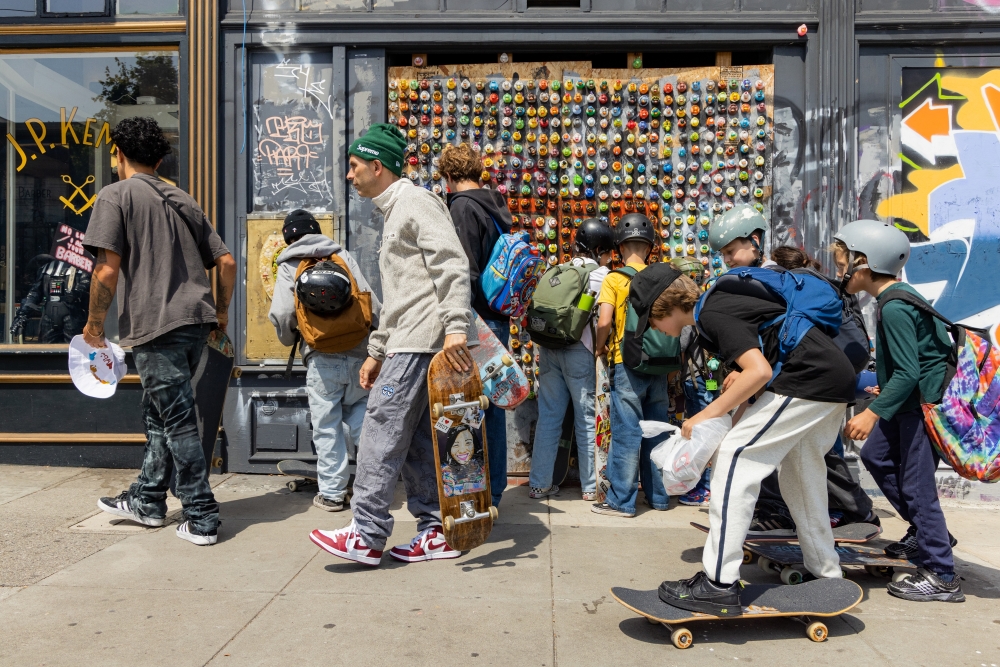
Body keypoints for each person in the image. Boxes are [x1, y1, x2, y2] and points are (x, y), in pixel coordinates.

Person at [309, 123, 473, 566]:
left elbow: (452, 262)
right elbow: (401, 295)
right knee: (419, 441)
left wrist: (456, 325)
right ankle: (434, 530)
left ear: (377, 167)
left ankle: (365, 533)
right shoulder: (395, 211)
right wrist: (377, 350)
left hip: (423, 342)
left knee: (381, 427)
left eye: (355, 165)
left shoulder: (416, 202)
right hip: (407, 340)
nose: (349, 174)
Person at [649, 268, 855, 615]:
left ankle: (717, 583)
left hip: (807, 379)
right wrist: (728, 421)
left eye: (653, 322)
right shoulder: (723, 303)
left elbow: (758, 372)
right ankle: (826, 572)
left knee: (735, 461)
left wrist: (704, 416)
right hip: (831, 377)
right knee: (801, 474)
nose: (656, 330)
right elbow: (757, 378)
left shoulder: (711, 313)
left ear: (663, 309)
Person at [85, 117, 237, 546]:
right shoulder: (182, 198)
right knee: (159, 413)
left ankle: (202, 514)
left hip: (156, 325)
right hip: (196, 322)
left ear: (118, 154)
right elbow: (225, 263)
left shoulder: (114, 196)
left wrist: (95, 325)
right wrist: (221, 313)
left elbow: (106, 269)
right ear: (158, 158)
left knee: (177, 420)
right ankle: (148, 500)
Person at [710, 207, 877, 532]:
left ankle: (789, 510)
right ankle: (850, 510)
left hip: (803, 377)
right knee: (813, 449)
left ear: (754, 241)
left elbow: (786, 335)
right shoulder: (760, 278)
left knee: (776, 442)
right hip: (802, 376)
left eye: (731, 250)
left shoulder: (773, 279)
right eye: (723, 253)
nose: (727, 258)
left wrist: (750, 370)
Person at [838, 220, 964, 603]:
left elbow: (910, 370)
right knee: (876, 456)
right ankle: (927, 534)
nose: (841, 268)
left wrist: (872, 411)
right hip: (907, 402)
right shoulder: (896, 297)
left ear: (864, 261)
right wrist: (885, 383)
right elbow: (911, 363)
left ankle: (942, 574)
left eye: (844, 259)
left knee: (917, 486)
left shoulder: (893, 307)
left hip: (919, 409)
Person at [268, 209, 380, 512]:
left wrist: (291, 339)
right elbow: (368, 299)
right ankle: (378, 483)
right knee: (361, 417)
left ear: (288, 237)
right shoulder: (340, 255)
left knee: (327, 425)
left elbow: (282, 314)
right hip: (359, 351)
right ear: (316, 230)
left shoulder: (290, 263)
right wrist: (378, 342)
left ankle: (332, 493)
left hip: (321, 358)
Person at [439, 142, 511, 508]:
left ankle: (479, 493)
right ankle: (493, 490)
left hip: (475, 322)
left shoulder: (463, 208)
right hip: (497, 319)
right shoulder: (496, 206)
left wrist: (456, 322)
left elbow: (463, 271)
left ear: (449, 176)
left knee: (467, 409)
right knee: (490, 407)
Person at [527, 218, 614, 501]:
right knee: (586, 419)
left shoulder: (556, 270)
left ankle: (539, 484)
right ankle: (590, 487)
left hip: (549, 349)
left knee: (549, 418)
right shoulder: (600, 275)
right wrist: (600, 349)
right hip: (580, 351)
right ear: (598, 248)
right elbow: (604, 321)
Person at [590, 213, 670, 517]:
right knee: (657, 433)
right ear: (649, 247)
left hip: (628, 363)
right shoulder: (663, 277)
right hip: (660, 364)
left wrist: (600, 348)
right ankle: (659, 497)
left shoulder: (614, 278)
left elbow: (605, 321)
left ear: (620, 247)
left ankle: (622, 501)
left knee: (627, 433)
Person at [671, 256, 715, 507]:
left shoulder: (688, 307)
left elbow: (681, 344)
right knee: (709, 427)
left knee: (701, 433)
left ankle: (704, 488)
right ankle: (708, 485)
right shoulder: (707, 301)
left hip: (697, 378)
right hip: (709, 377)